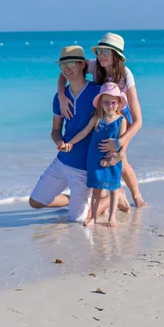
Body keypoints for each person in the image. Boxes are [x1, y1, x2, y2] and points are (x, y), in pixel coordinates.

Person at [29, 46, 126, 221]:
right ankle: (74, 201)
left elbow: (121, 119)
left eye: (71, 63)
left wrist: (119, 149)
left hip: (84, 167)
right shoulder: (59, 97)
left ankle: (114, 197)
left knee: (78, 220)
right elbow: (55, 130)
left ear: (82, 65)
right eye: (62, 65)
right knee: (35, 202)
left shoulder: (98, 93)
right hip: (62, 161)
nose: (66, 69)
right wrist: (59, 142)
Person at [57, 33, 146, 208]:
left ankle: (136, 196)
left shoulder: (125, 74)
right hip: (100, 117)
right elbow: (64, 74)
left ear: (117, 55)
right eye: (99, 51)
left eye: (106, 52)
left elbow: (138, 120)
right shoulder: (93, 65)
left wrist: (120, 141)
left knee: (120, 160)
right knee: (101, 159)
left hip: (120, 120)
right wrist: (61, 95)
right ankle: (109, 200)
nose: (101, 56)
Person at [63, 83, 128, 227]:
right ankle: (94, 218)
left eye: (113, 102)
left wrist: (112, 159)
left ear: (118, 103)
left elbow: (122, 143)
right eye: (106, 102)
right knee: (96, 189)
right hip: (95, 159)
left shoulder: (121, 121)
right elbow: (83, 133)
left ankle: (112, 216)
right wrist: (70, 143)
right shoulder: (97, 119)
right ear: (100, 103)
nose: (110, 105)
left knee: (113, 188)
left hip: (112, 160)